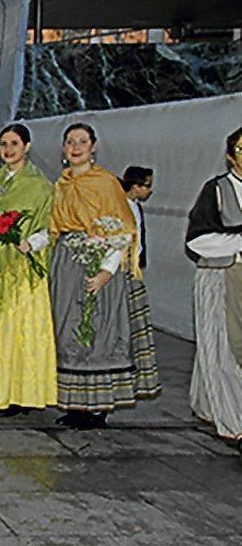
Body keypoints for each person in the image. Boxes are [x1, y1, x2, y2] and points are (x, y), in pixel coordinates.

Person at [49, 122, 148, 429]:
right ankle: (75, 404)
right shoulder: (62, 183)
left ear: (93, 146)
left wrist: (107, 269)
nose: (75, 147)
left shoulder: (106, 183)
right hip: (67, 263)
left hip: (99, 261)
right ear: (64, 150)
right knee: (68, 331)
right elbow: (55, 228)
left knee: (97, 331)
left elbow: (123, 230)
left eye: (82, 141)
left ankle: (99, 406)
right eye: (70, 142)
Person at [0, 123, 57, 416]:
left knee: (22, 329)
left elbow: (52, 225)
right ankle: (3, 387)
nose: (8, 149)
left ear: (26, 147)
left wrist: (33, 242)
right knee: (1, 329)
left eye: (14, 143)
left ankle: (24, 392)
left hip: (25, 268)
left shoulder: (39, 184)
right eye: (3, 144)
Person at [186, 127, 242, 443]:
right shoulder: (217, 190)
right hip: (222, 275)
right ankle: (234, 419)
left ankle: (206, 402)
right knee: (224, 348)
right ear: (230, 156)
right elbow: (197, 241)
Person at [121, 165, 159, 397]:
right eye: (147, 185)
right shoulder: (122, 208)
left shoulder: (136, 208)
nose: (149, 191)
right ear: (135, 186)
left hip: (133, 269)